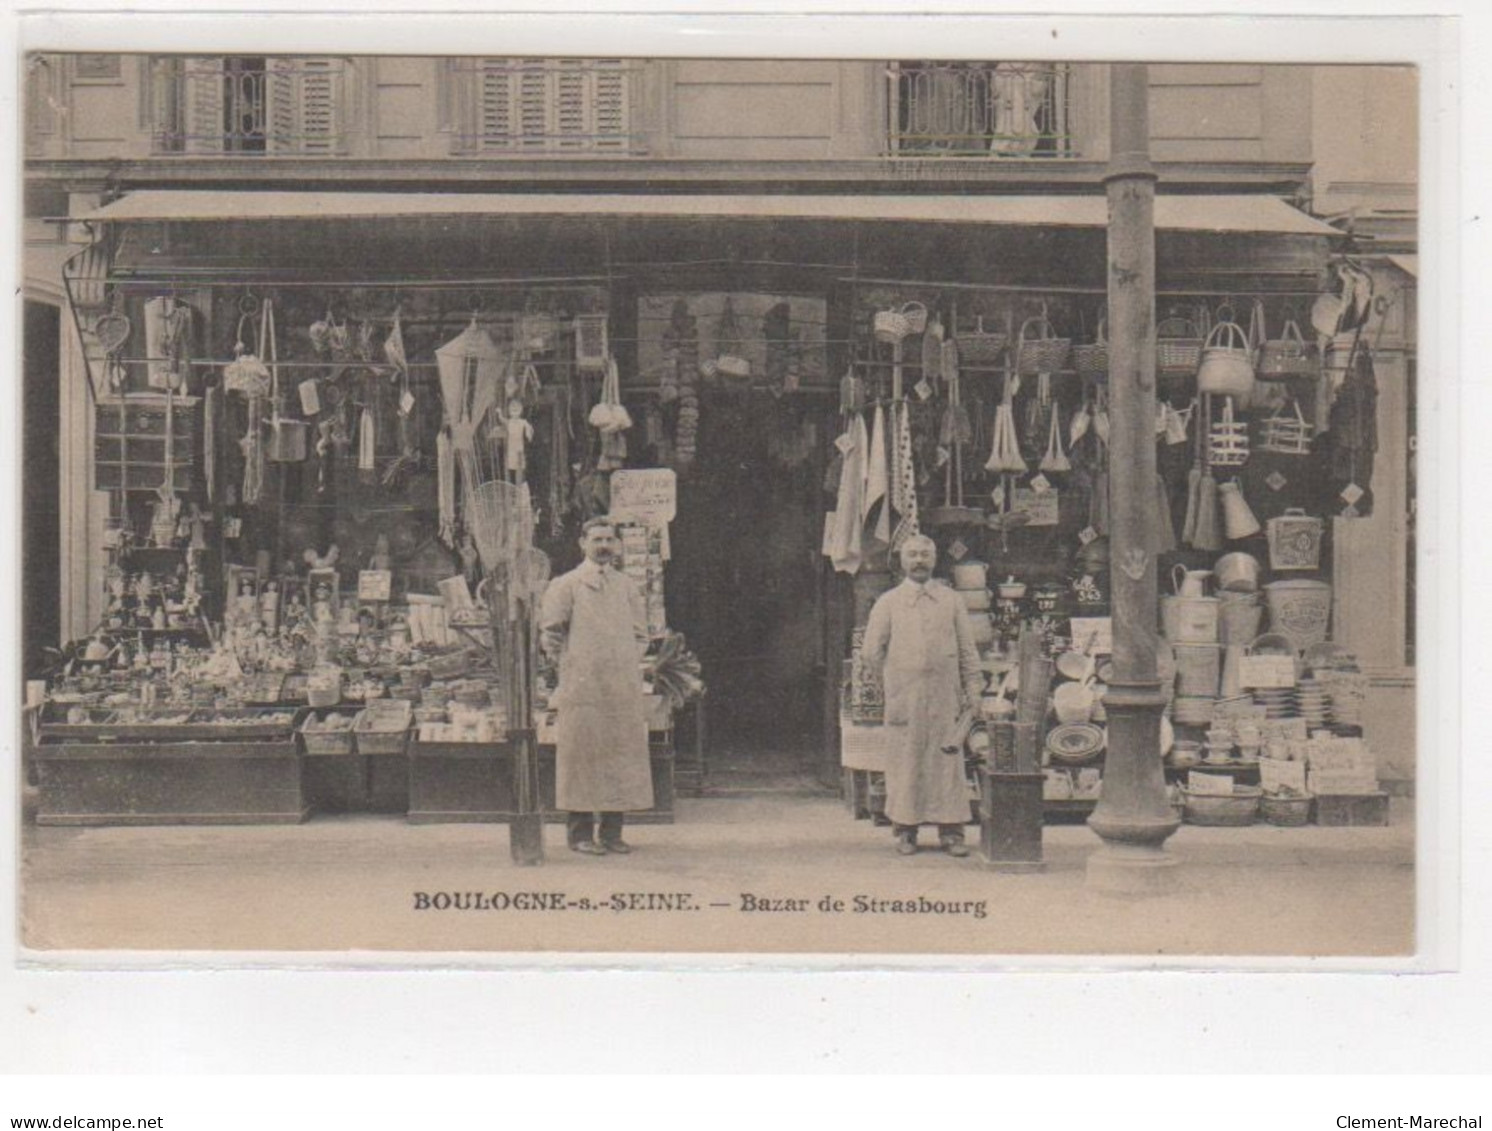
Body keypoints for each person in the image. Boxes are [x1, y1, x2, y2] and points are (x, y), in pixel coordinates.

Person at [860, 534, 984, 857]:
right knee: (906, 762)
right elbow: (872, 652)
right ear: (902, 561)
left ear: (934, 559)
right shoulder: (888, 602)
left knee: (947, 764)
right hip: (906, 698)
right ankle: (905, 831)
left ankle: (952, 832)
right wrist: (895, 680)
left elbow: (967, 649)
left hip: (945, 697)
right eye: (912, 555)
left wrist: (973, 689)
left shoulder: (951, 600)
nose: (919, 561)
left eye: (925, 555)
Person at [539, 516, 653, 856]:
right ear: (583, 543)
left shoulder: (626, 586)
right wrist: (573, 666)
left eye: (609, 540)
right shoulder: (566, 584)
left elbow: (641, 635)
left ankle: (614, 833)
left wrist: (624, 662)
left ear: (617, 546)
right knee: (582, 757)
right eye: (597, 539)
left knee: (619, 754)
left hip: (620, 686)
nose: (603, 546)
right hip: (582, 686)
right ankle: (580, 835)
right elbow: (551, 634)